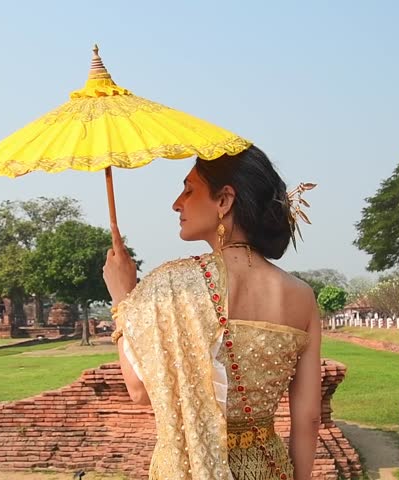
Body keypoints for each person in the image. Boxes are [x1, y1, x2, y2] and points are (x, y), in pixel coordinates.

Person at [103, 146, 321, 479]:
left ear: (224, 201)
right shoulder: (302, 296)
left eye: (189, 190)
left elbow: (139, 390)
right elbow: (308, 418)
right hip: (269, 469)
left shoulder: (172, 286)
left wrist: (122, 298)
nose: (177, 203)